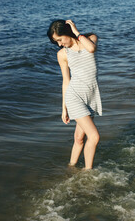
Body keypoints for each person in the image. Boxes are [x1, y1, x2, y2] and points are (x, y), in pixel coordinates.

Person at [47, 19, 102, 169]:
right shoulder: (62, 54)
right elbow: (66, 81)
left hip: (90, 96)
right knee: (94, 136)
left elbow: (91, 49)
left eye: (59, 39)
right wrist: (63, 108)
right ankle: (87, 172)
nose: (59, 44)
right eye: (56, 42)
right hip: (74, 97)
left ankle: (71, 167)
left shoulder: (90, 39)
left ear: (67, 32)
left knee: (79, 138)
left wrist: (76, 32)